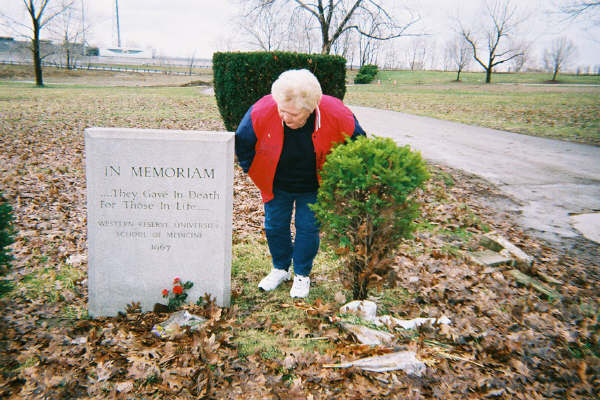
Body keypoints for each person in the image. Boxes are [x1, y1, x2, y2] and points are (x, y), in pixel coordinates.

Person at [235, 69, 366, 298]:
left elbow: (359, 145)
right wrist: (253, 171)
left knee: (308, 228)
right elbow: (243, 142)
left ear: (310, 109)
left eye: (293, 114)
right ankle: (280, 268)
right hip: (276, 183)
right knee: (275, 225)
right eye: (281, 111)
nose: (285, 118)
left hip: (315, 185)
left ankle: (302, 274)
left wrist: (340, 179)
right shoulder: (264, 108)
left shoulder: (336, 113)